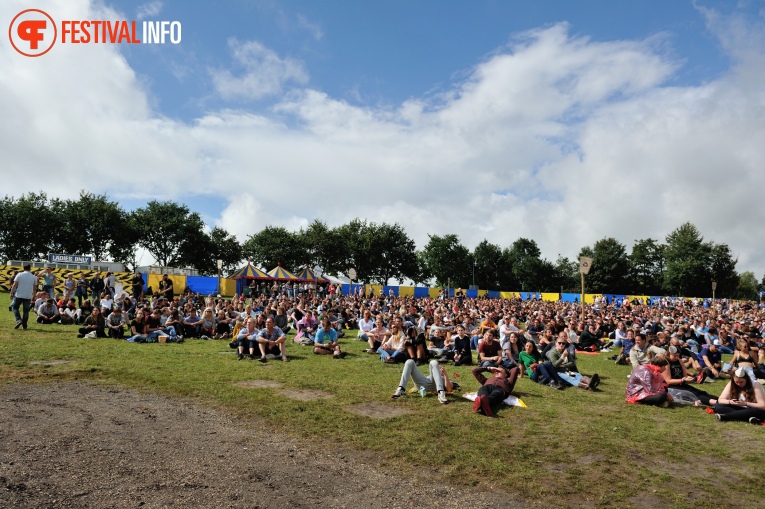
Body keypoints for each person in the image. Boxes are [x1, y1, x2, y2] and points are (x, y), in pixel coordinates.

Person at [10, 264, 38, 330]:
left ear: (23, 268)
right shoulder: (33, 277)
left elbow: (14, 285)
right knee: (26, 311)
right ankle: (24, 326)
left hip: (19, 294)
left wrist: (11, 293)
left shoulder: (19, 274)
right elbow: (34, 288)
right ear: (30, 268)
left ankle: (18, 320)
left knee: (15, 308)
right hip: (28, 296)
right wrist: (34, 296)